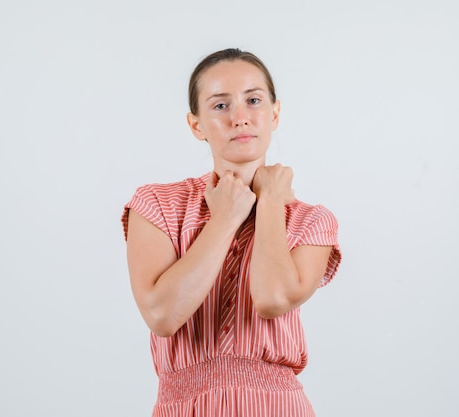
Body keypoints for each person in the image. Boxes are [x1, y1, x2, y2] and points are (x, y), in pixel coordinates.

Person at [121, 48, 342, 417]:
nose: (240, 117)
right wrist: (225, 218)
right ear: (196, 125)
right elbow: (161, 315)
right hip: (183, 406)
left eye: (253, 100)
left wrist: (270, 202)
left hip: (278, 407)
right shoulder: (157, 204)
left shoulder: (311, 221)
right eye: (220, 106)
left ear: (274, 114)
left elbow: (272, 298)